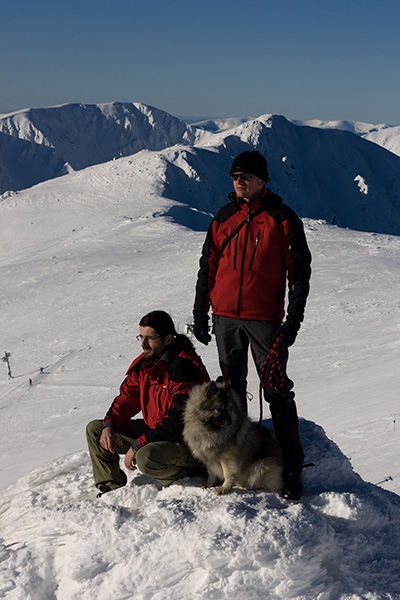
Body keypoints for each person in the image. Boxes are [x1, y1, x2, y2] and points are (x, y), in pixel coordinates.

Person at [192, 150, 312, 500]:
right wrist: (201, 311)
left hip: (265, 321)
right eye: (235, 176)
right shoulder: (224, 217)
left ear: (263, 180)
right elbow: (207, 267)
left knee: (275, 389)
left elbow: (299, 275)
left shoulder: (282, 218)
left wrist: (293, 322)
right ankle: (235, 465)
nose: (239, 181)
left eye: (246, 176)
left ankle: (291, 468)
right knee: (230, 392)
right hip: (225, 317)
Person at [86, 310, 209, 496]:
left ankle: (186, 477)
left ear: (168, 339)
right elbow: (126, 399)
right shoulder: (145, 365)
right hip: (158, 433)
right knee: (96, 430)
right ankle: (111, 490)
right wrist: (109, 425)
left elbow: (180, 419)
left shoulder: (184, 367)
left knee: (146, 456)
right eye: (141, 337)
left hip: (188, 441)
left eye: (149, 338)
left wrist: (139, 444)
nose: (143, 344)